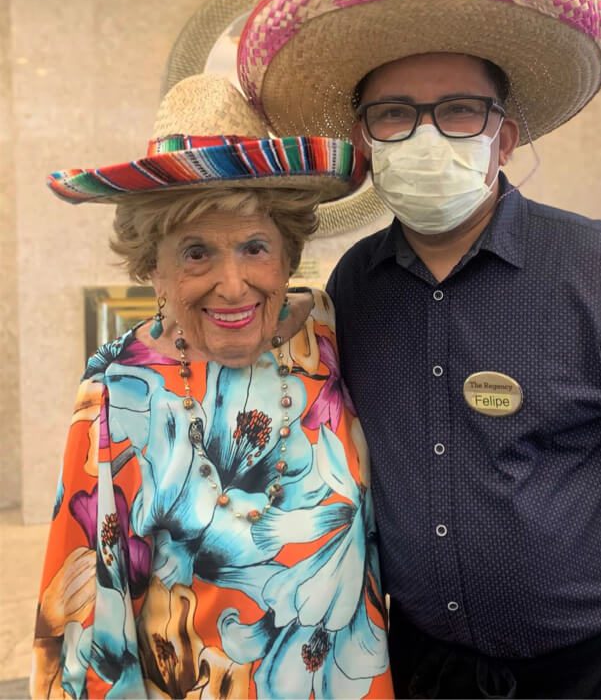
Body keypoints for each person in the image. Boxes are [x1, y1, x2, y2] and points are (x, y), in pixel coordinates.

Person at [237, 0, 601, 699]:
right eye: (394, 113)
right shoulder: (356, 285)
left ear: (506, 136)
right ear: (365, 141)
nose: (426, 136)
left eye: (459, 109)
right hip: (426, 665)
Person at [31, 74, 392, 699]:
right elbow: (88, 623)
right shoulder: (119, 393)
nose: (232, 285)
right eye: (196, 253)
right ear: (153, 266)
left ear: (287, 254)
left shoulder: (329, 341)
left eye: (255, 247)